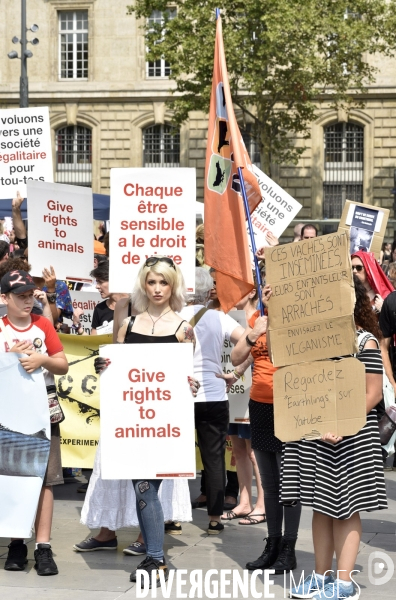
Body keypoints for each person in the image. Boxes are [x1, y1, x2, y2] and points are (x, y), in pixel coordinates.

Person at [92, 256, 196, 585]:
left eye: (163, 282)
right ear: (143, 284)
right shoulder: (128, 326)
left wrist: (189, 384)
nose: (157, 288)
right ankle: (154, 556)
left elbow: (186, 380)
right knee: (142, 489)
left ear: (173, 285)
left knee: (147, 489)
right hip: (134, 423)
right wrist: (103, 368)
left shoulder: (184, 330)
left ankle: (154, 557)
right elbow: (118, 371)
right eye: (152, 282)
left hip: (165, 426)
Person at [285, 276, 387, 599]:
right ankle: (320, 576)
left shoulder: (364, 342)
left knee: (346, 508)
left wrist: (341, 424)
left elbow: (372, 393)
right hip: (319, 435)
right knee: (322, 508)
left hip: (351, 437)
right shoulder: (315, 340)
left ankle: (344, 583)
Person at [0, 269, 68, 576]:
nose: (28, 302)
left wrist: (41, 360)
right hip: (8, 416)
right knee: (14, 475)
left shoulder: (42, 324)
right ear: (4, 299)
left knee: (46, 479)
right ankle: (17, 543)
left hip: (44, 413)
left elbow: (62, 363)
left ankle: (43, 547)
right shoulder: (1, 328)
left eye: (30, 295)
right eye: (21, 296)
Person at [231, 285, 302, 573]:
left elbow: (289, 357)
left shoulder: (297, 320)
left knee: (289, 484)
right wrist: (254, 332)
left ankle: (289, 547)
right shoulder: (258, 321)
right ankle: (272, 544)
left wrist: (277, 318)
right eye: (267, 285)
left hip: (290, 408)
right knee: (270, 485)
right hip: (259, 407)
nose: (271, 290)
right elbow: (238, 357)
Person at [180, 268, 251, 534]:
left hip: (180, 394)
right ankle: (214, 518)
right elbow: (250, 339)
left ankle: (171, 516)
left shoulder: (173, 317)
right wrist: (236, 372)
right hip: (214, 394)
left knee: (176, 456)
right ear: (209, 290)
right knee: (214, 458)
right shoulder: (218, 317)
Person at [222, 283, 266, 525]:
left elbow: (253, 352)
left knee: (253, 451)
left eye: (236, 289)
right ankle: (244, 501)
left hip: (255, 391)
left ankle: (262, 503)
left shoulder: (261, 317)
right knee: (238, 449)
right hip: (234, 392)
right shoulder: (228, 318)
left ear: (251, 292)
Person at [90, 262, 128, 335]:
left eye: (100, 282)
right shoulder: (99, 309)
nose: (97, 286)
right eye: (97, 282)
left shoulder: (135, 305)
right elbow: (93, 340)